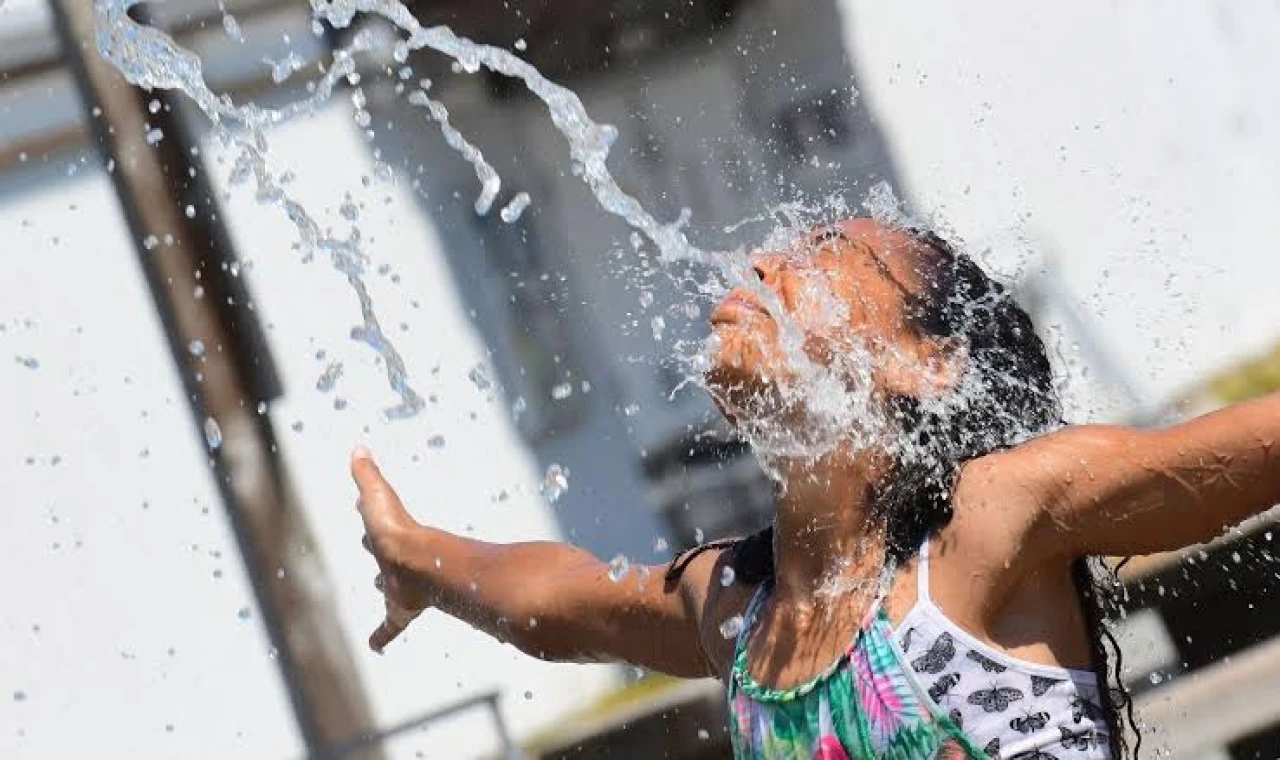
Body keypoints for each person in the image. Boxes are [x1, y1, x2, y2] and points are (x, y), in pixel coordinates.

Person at [349, 218, 1280, 759]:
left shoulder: (987, 525)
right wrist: (418, 561)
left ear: (931, 363)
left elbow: (1248, 449)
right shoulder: (741, 613)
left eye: (826, 246)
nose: (759, 263)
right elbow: (561, 604)